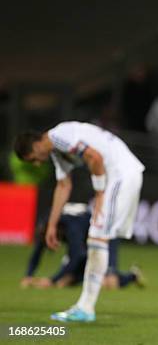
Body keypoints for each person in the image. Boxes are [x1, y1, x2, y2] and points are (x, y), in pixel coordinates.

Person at [14, 121, 145, 322]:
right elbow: (63, 186)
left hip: (121, 175)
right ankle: (85, 307)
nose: (38, 163)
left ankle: (85, 308)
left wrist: (100, 192)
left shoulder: (59, 138)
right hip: (120, 175)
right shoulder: (57, 151)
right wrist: (52, 224)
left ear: (35, 145)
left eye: (33, 159)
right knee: (97, 237)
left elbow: (95, 157)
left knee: (97, 236)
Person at [21, 203, 144, 290]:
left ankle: (132, 276)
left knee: (110, 283)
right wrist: (28, 275)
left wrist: (51, 280)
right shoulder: (49, 224)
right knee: (64, 282)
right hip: (86, 240)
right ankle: (76, 278)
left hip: (105, 234)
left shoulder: (72, 228)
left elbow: (77, 256)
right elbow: (37, 251)